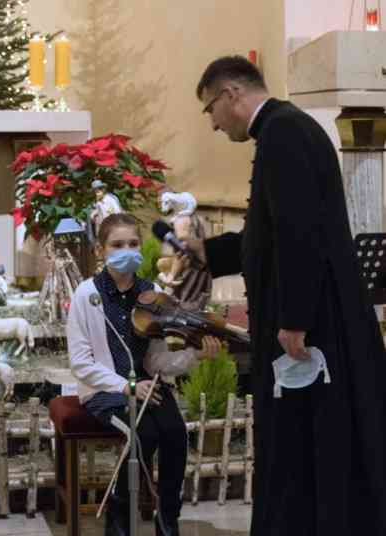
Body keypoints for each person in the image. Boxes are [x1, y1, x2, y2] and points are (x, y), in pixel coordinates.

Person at [190, 55, 386, 535]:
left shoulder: (282, 134)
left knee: (307, 445)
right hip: (315, 318)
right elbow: (269, 233)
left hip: (314, 328)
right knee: (301, 446)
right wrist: (206, 252)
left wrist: (294, 320)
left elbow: (300, 234)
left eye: (210, 109)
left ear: (231, 94)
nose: (213, 124)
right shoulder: (285, 129)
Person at [67, 213, 222, 536]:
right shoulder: (86, 294)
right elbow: (81, 363)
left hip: (149, 385)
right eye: (117, 245)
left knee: (175, 433)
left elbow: (158, 361)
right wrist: (126, 386)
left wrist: (195, 354)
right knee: (143, 435)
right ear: (100, 250)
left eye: (133, 243)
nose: (127, 250)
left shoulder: (151, 293)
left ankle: (168, 521)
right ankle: (119, 521)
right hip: (106, 390)